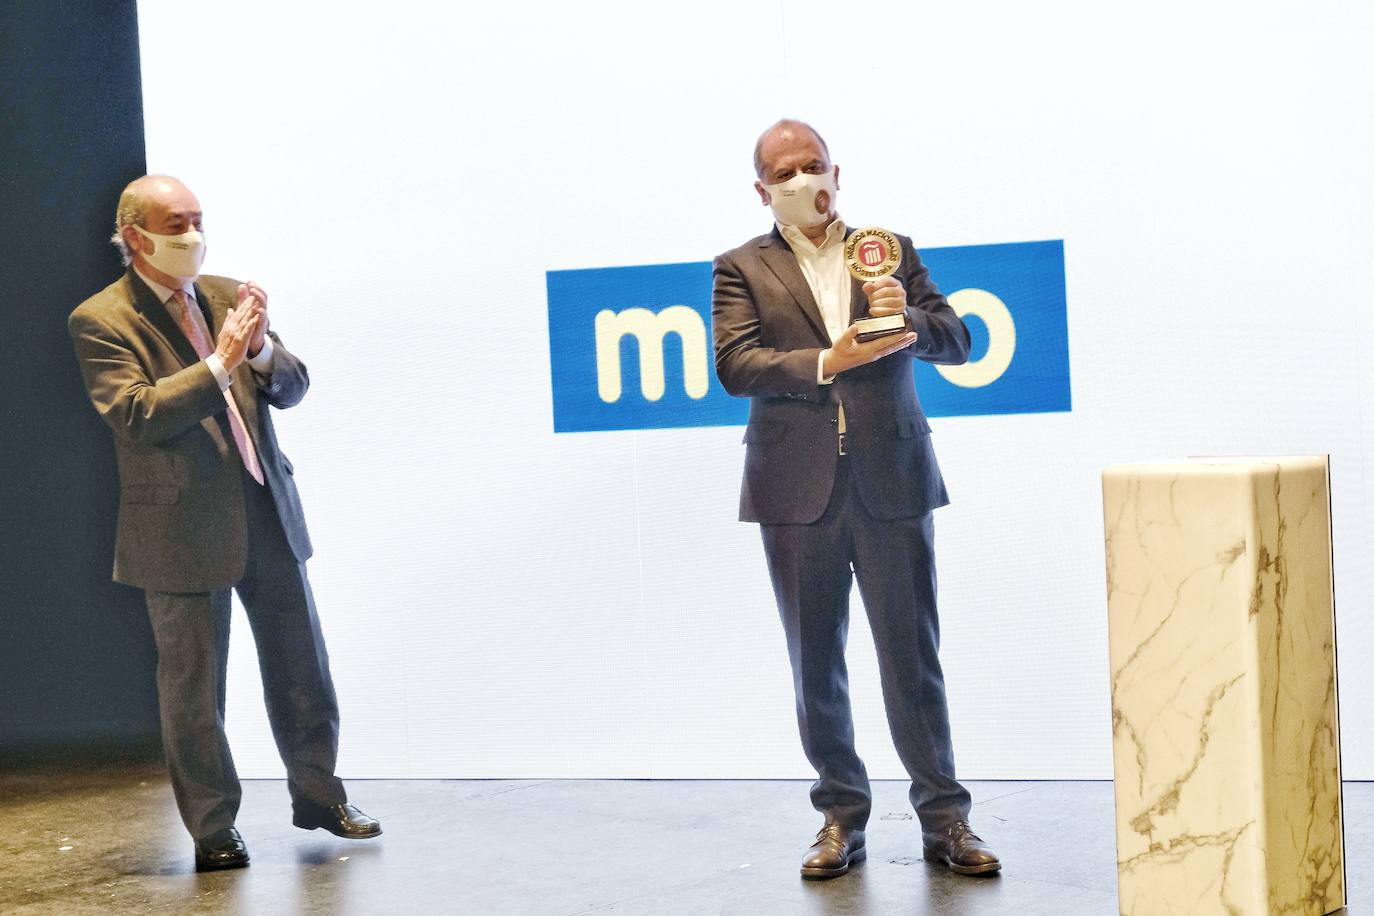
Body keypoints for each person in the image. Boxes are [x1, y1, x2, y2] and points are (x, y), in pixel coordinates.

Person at [712, 121, 1000, 879]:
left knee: (913, 658)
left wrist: (906, 318)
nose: (803, 180)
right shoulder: (740, 267)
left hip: (891, 479)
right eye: (785, 172)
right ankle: (841, 817)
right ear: (762, 190)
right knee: (816, 664)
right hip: (793, 489)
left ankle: (945, 819)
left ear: (837, 173)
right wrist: (825, 361)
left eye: (813, 165)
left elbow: (958, 340)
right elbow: (736, 365)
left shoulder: (889, 250)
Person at [69, 175, 380, 872]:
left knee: (302, 668)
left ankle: (320, 797)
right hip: (179, 529)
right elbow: (138, 414)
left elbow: (292, 386)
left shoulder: (227, 295)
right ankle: (213, 828)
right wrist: (220, 363)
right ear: (135, 237)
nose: (193, 235)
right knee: (195, 691)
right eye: (176, 224)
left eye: (198, 220)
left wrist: (262, 351)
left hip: (265, 508)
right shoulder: (102, 319)